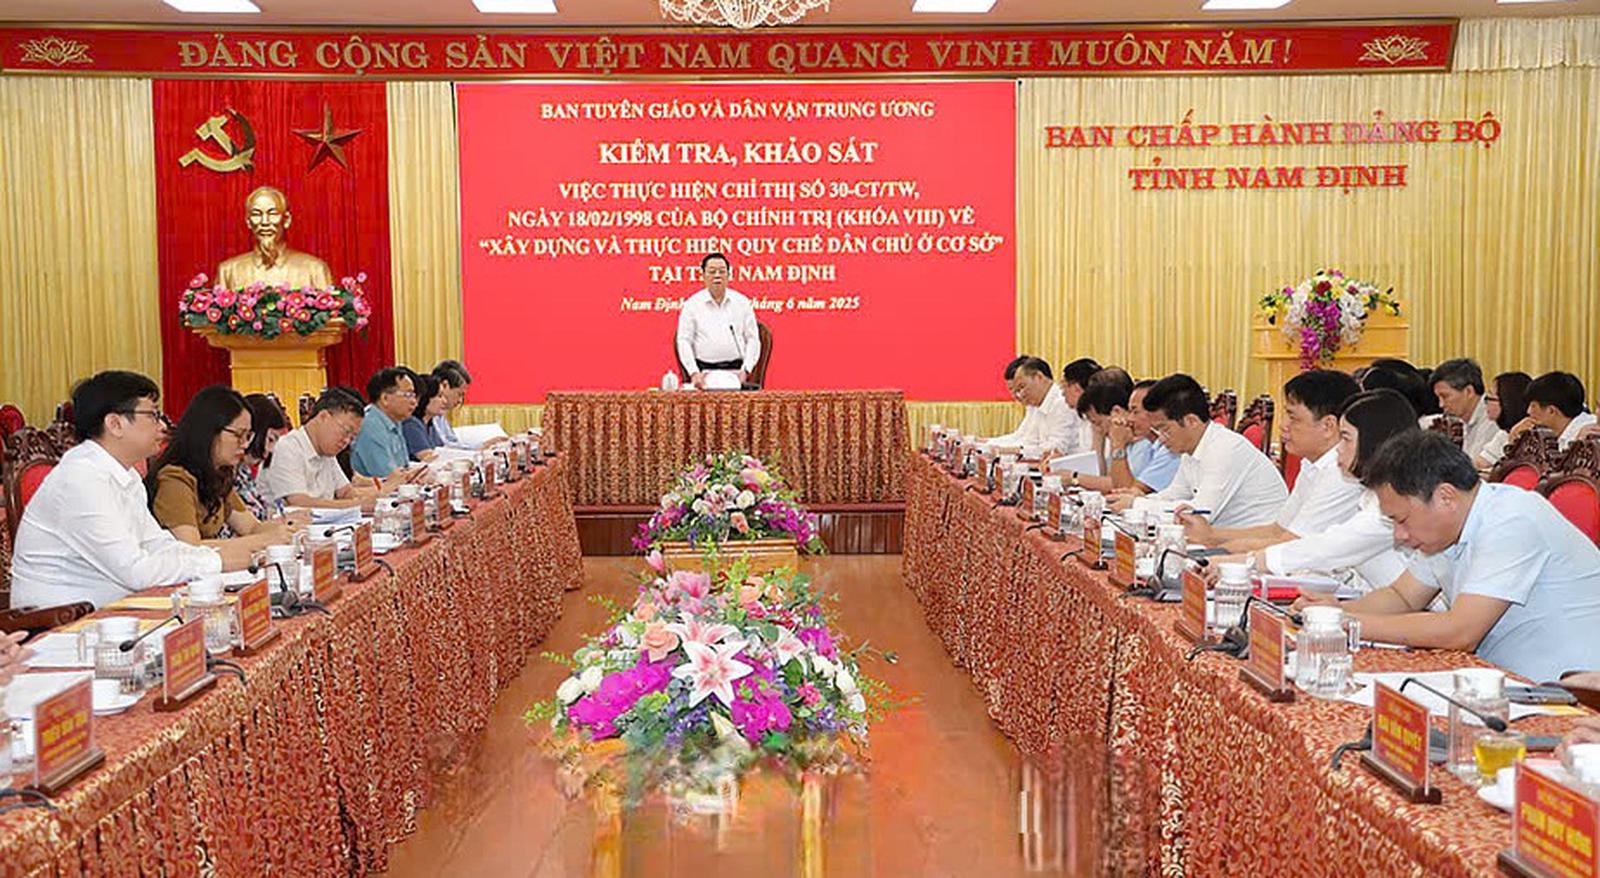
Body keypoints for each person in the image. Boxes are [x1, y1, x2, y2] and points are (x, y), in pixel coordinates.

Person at [1325, 430, 1600, 682]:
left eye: (1402, 520)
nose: (1400, 535)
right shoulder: (1446, 530)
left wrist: (1348, 624)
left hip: (1570, 692)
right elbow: (1402, 596)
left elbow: (1460, 632)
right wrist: (1328, 613)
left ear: (1446, 497)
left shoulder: (1512, 519)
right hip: (1499, 679)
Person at [9, 371, 245, 609]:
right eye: (152, 415)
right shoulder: (80, 480)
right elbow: (136, 571)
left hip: (115, 608)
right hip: (61, 620)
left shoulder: (126, 474)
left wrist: (218, 559)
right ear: (115, 424)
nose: (162, 425)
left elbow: (157, 544)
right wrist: (216, 562)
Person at [1228, 389, 1418, 594]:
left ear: (1374, 442)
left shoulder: (1396, 503)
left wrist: (1245, 562)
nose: (1338, 449)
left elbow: (1328, 548)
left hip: (1416, 611)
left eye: (1346, 438)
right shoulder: (1370, 495)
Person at [1185, 370, 1362, 551]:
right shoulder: (1312, 464)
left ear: (1328, 426)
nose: (1283, 425)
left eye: (1293, 418)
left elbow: (1292, 545)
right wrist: (1210, 534)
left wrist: (1223, 551)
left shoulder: (1342, 474)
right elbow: (1277, 530)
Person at [147, 385, 301, 553]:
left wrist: (288, 528)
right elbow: (190, 549)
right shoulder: (174, 479)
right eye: (238, 435)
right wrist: (263, 540)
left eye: (248, 436)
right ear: (209, 431)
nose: (245, 444)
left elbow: (251, 527)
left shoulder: (218, 475)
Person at [1121, 374, 1288, 528]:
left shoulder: (1224, 449)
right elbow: (1175, 494)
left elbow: (1199, 514)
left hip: (1257, 542)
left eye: (1164, 430)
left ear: (1191, 421)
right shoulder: (1190, 450)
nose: (1161, 439)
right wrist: (1135, 500)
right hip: (1224, 538)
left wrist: (1137, 505)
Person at [259, 387, 404, 509]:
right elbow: (300, 503)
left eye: (352, 437)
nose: (346, 441)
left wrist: (386, 491)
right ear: (323, 417)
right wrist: (360, 504)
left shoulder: (326, 451)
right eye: (346, 431)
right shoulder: (287, 447)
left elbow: (346, 493)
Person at [1064, 374, 1178, 493]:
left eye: (1135, 411)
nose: (1130, 418)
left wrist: (1118, 445)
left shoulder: (1167, 449)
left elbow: (1124, 489)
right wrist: (1100, 438)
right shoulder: (1139, 440)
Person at [215, 185, 333, 290]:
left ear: (286, 220)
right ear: (248, 222)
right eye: (256, 214)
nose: (265, 222)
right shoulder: (228, 271)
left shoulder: (314, 269)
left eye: (272, 214)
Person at [675, 252, 760, 390]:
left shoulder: (742, 303)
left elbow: (753, 339)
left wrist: (746, 370)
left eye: (721, 271)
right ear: (703, 275)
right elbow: (684, 341)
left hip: (737, 372)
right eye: (712, 271)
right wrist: (694, 373)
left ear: (729, 275)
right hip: (703, 372)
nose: (717, 275)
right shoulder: (692, 305)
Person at [989, 356, 1081, 455]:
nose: (1020, 395)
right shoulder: (1035, 405)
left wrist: (1009, 450)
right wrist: (987, 444)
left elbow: (1056, 449)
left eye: (1022, 387)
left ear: (1039, 377)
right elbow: (1024, 438)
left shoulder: (1063, 402)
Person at [1429, 358, 1509, 469]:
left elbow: (1476, 469)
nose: (1441, 405)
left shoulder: (1491, 419)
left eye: (1445, 396)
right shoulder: (1465, 418)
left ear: (1469, 391)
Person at [350, 367, 417, 479]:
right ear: (385, 398)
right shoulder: (370, 425)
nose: (414, 402)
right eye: (407, 395)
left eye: (413, 395)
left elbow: (404, 466)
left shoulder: (394, 420)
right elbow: (388, 476)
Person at [236, 393, 289, 521]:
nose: (270, 450)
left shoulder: (243, 470)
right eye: (270, 439)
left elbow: (259, 511)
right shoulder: (225, 474)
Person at [1509, 371, 1595, 451]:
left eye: (1533, 406)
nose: (1528, 411)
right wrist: (1515, 441)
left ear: (1551, 410)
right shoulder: (1549, 434)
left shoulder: (1589, 433)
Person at [403, 373, 448, 461]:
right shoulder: (411, 424)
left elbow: (442, 450)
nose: (444, 401)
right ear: (426, 398)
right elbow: (427, 457)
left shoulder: (430, 424)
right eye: (439, 396)